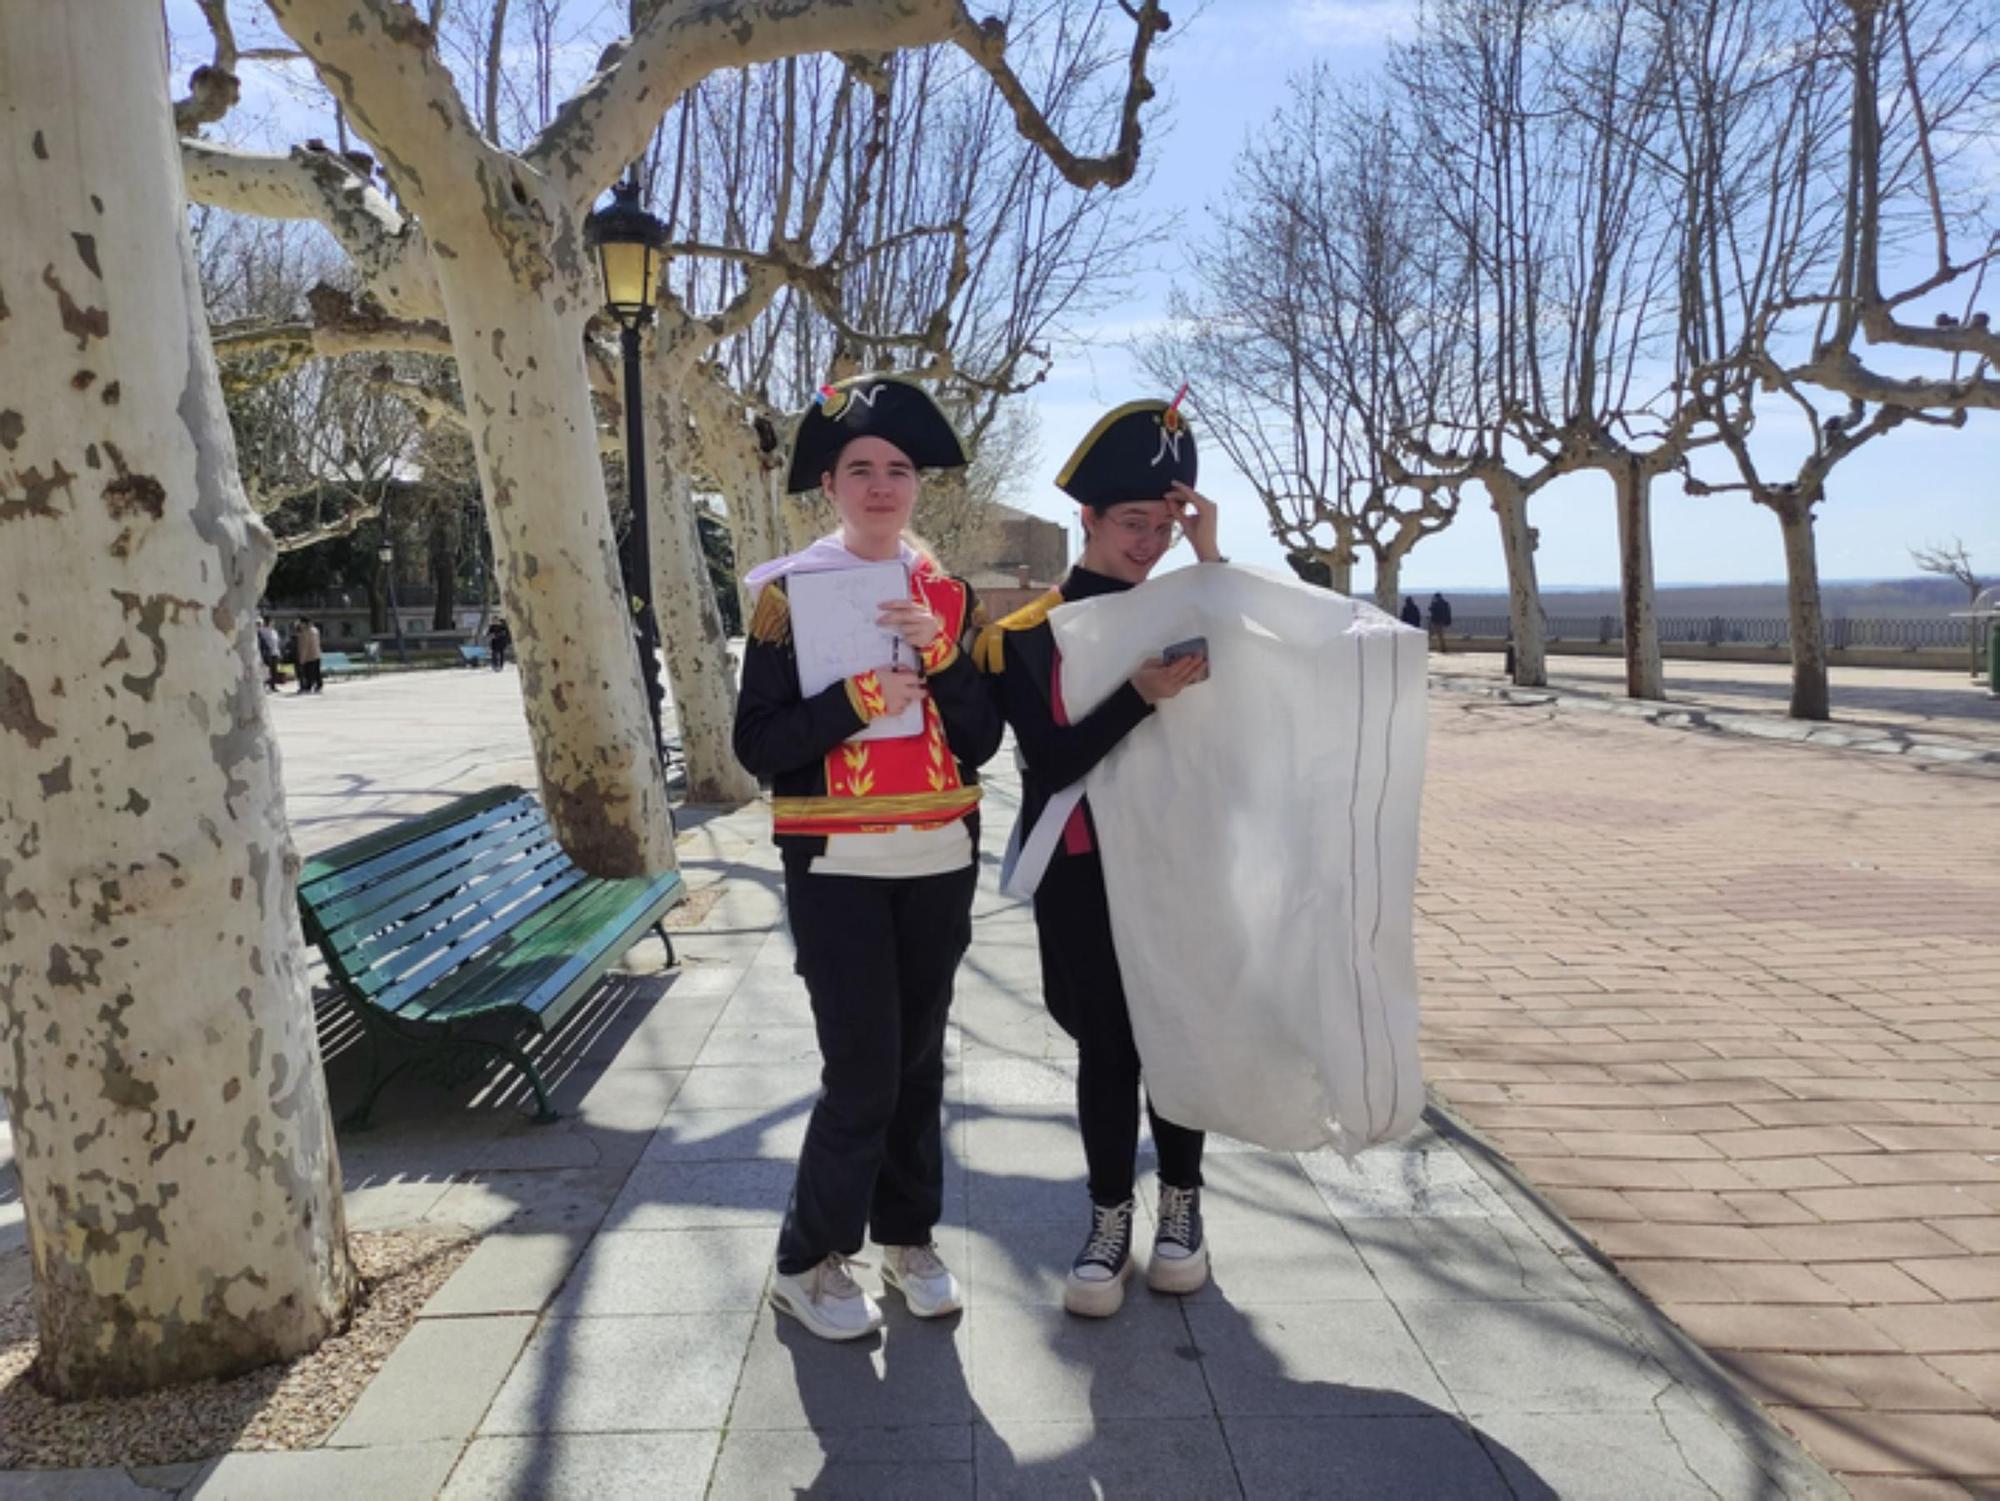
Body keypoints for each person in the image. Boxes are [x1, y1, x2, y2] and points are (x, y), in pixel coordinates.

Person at [732, 373, 1003, 1343]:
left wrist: (944, 659)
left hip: (938, 858)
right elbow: (755, 744)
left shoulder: (948, 595)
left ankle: (907, 1238)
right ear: (829, 485)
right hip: (837, 865)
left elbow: (978, 742)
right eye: (860, 468)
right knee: (863, 1070)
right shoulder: (785, 599)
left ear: (917, 485)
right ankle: (807, 1259)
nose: (881, 484)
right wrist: (851, 698)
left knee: (919, 1063)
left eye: (897, 469)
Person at [976, 396, 1221, 1318]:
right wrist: (1139, 696)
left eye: (1165, 525)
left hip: (1180, 860)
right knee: (1111, 1046)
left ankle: (1185, 1206)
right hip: (1082, 869)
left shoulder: (1194, 602)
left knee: (1180, 1033)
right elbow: (1052, 759)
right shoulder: (1027, 631)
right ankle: (1110, 1215)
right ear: (1088, 518)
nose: (1150, 543)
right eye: (1133, 524)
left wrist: (1209, 556)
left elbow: (1261, 704)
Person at [294, 618, 324, 694]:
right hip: (316, 654)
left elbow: (304, 646)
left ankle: (308, 687)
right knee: (316, 672)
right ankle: (318, 685)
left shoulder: (306, 632)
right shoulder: (315, 630)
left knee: (308, 672)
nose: (300, 625)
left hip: (309, 656)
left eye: (301, 623)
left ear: (304, 624)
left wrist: (302, 658)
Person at [256, 616, 283, 692]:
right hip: (267, 653)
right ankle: (264, 684)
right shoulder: (262, 630)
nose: (272, 623)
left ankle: (273, 685)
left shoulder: (274, 631)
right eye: (271, 621)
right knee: (266, 670)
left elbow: (277, 642)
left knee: (274, 670)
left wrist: (279, 652)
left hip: (275, 652)